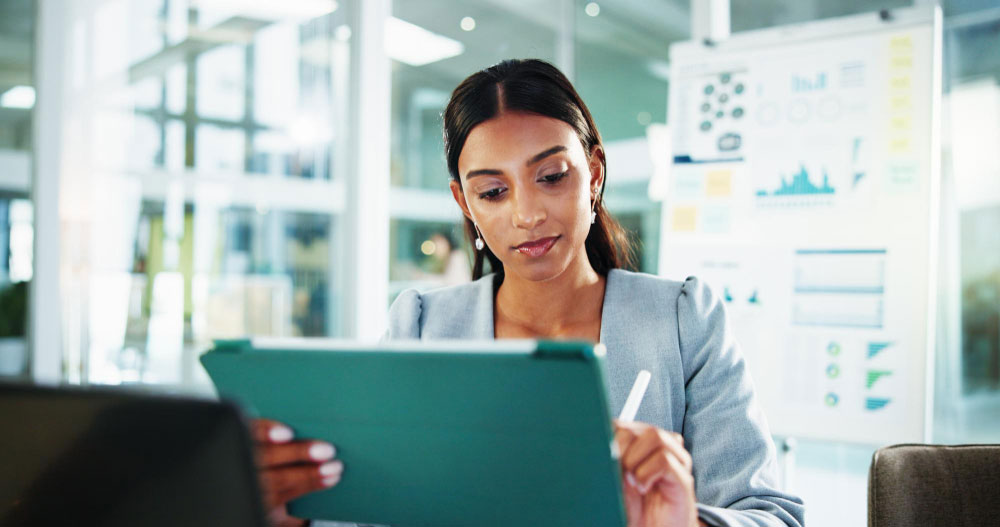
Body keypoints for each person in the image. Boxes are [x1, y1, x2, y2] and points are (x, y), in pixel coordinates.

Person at [251, 59, 805, 527]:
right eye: (493, 191)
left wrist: (682, 520)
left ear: (593, 175)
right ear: (465, 204)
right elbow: (369, 510)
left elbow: (772, 516)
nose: (527, 214)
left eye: (551, 175)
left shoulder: (682, 320)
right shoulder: (421, 327)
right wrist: (293, 511)